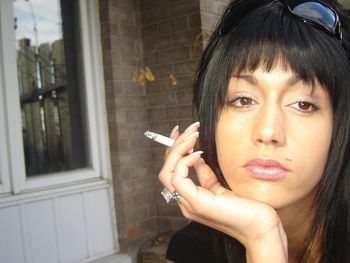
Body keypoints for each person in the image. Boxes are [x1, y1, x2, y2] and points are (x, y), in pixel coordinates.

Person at [157, 0, 350, 262]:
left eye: (303, 104)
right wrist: (261, 236)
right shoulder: (191, 251)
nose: (268, 131)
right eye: (243, 100)